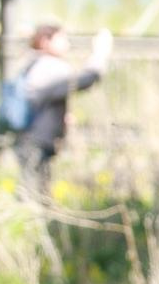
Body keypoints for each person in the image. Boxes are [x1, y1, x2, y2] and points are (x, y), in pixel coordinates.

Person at [7, 22, 114, 196]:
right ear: (45, 41)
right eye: (61, 38)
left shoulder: (33, 64)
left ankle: (32, 219)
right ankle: (31, 220)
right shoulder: (48, 66)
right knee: (32, 193)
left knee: (35, 190)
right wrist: (100, 53)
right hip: (37, 139)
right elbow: (84, 80)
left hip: (31, 138)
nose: (67, 43)